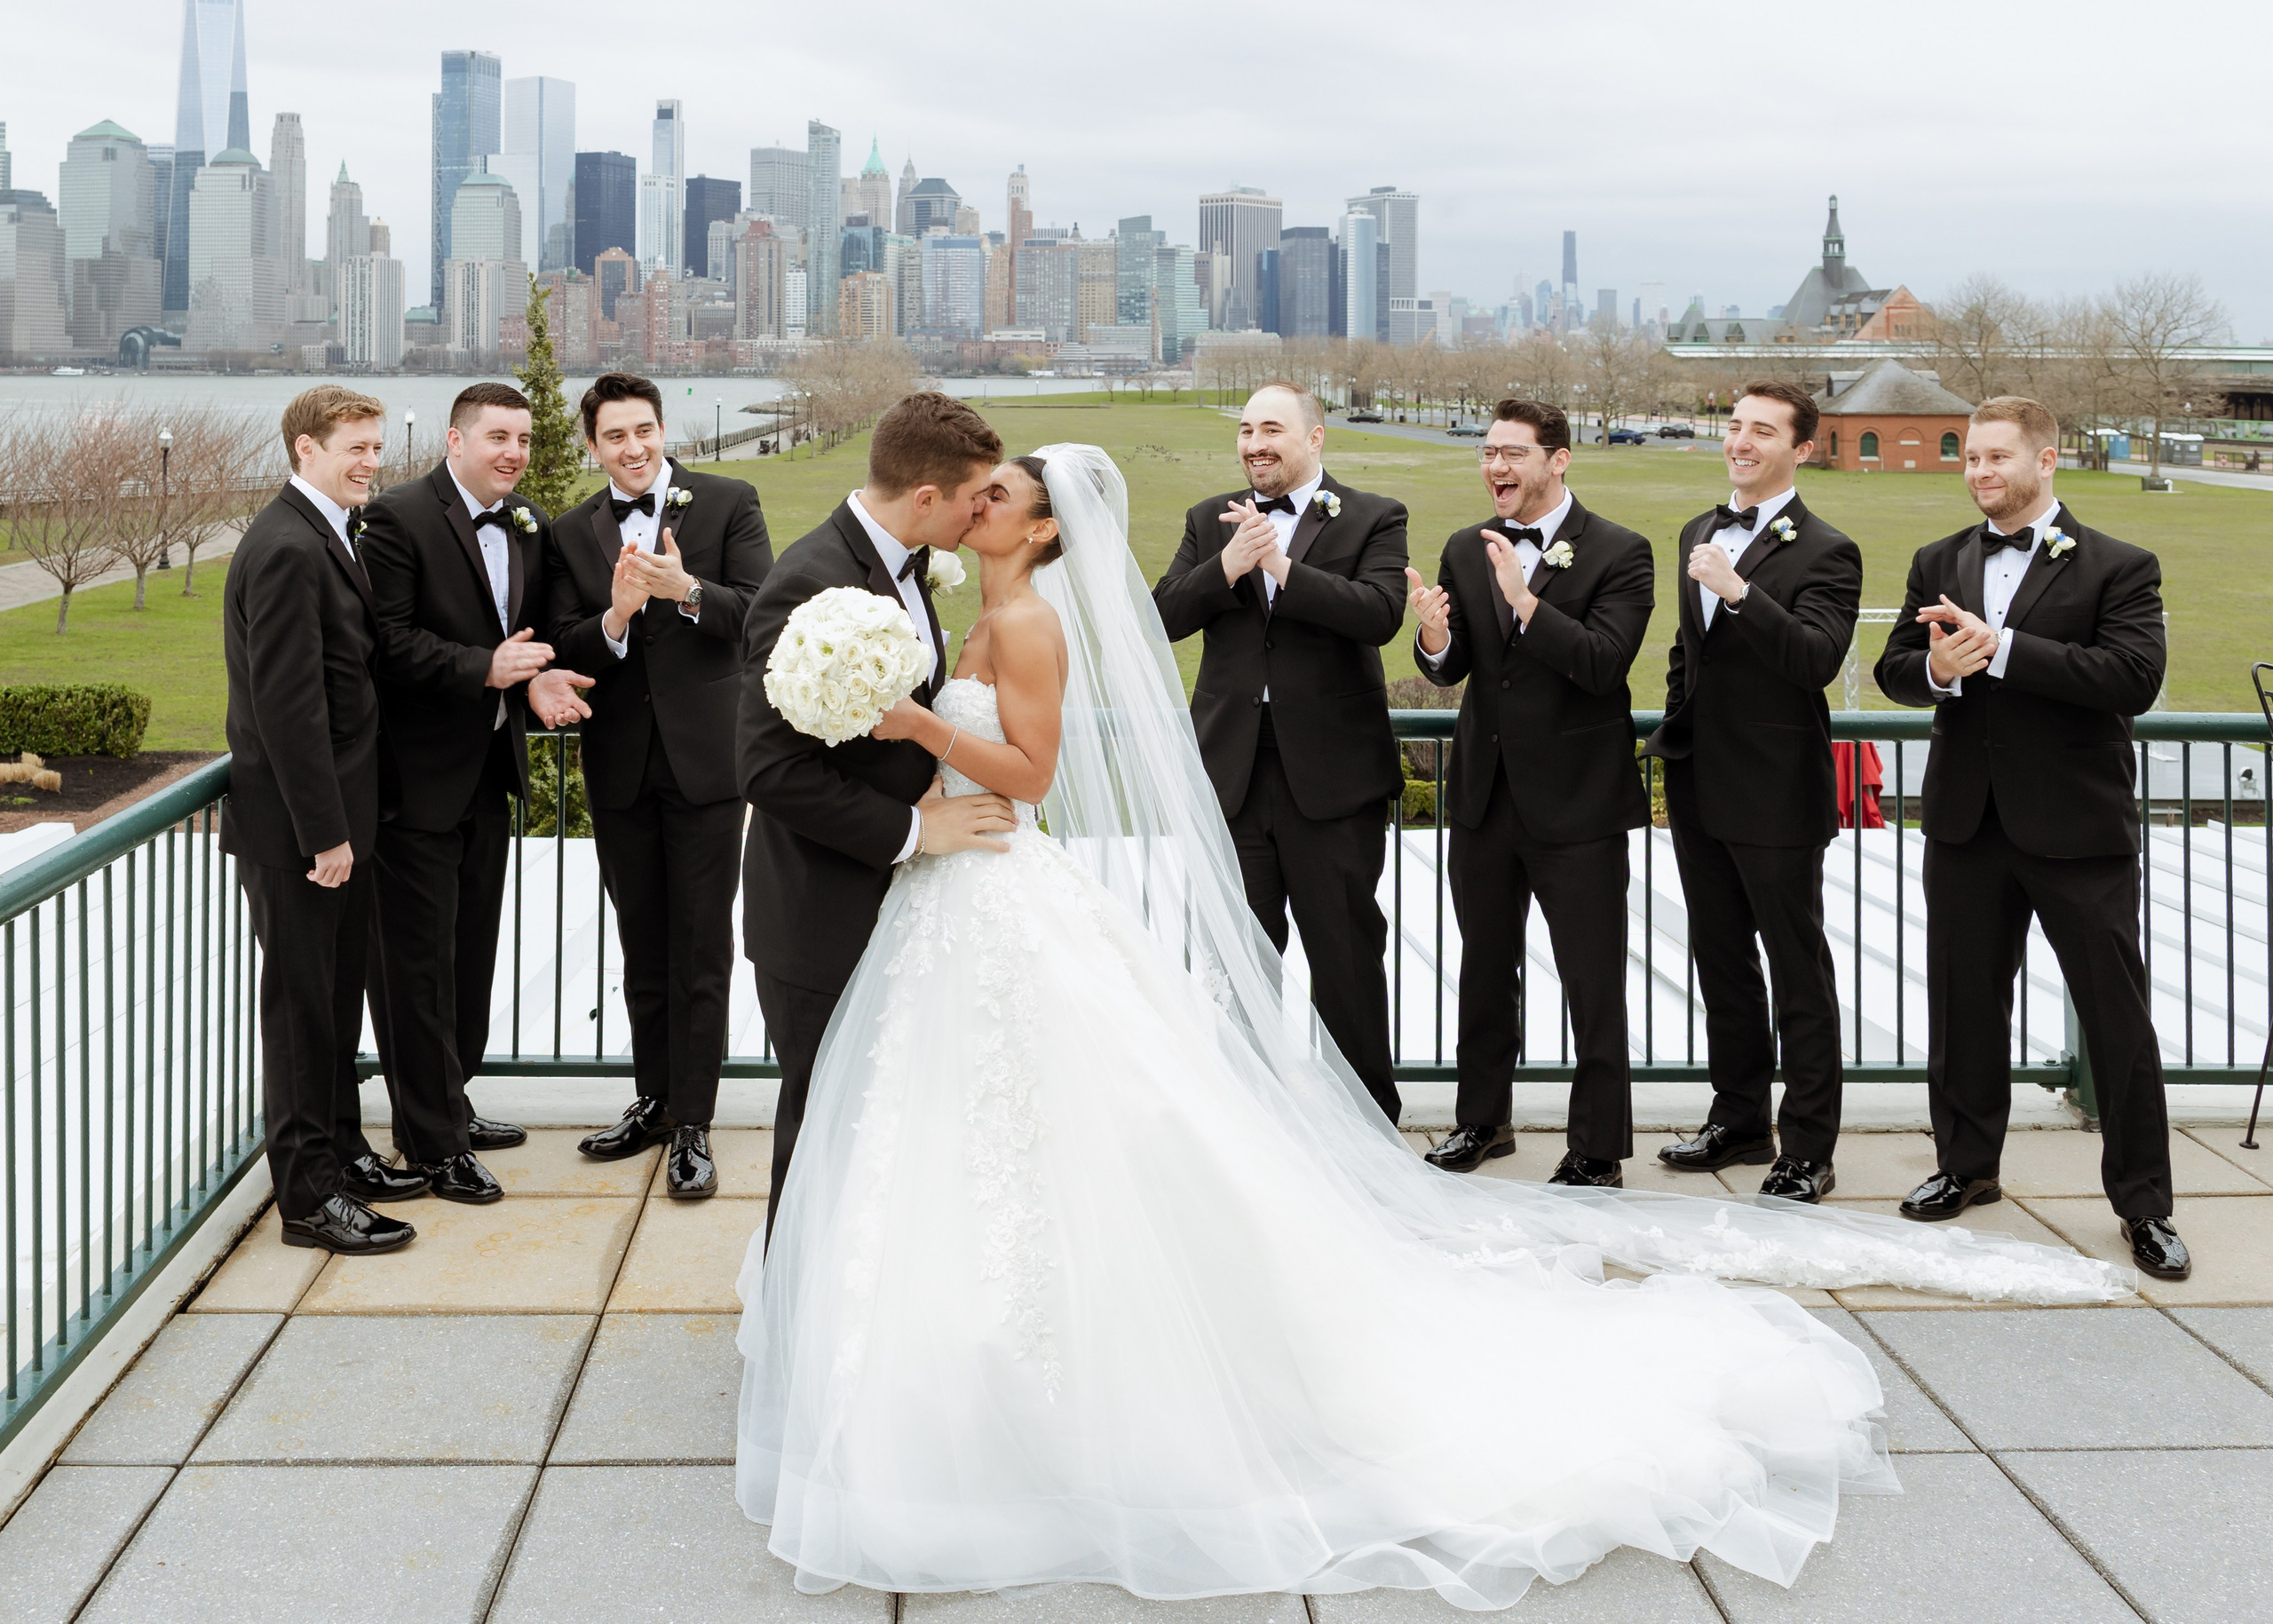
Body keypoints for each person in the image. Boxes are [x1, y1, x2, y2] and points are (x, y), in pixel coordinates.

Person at [733, 443, 2127, 1612]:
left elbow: (1029, 767)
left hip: (996, 872)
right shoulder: (945, 600)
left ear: (1037, 526)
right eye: (971, 489)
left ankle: (1048, 1355)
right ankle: (942, 1331)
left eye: (998, 492)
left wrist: (914, 719)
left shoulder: (1024, 618)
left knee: (1061, 1118)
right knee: (983, 1126)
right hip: (956, 893)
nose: (976, 501)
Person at [1873, 397, 2188, 1280]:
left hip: (2078, 830)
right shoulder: (1939, 558)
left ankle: (2144, 1204)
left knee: (2116, 1024)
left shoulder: (2120, 565)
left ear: (2045, 461)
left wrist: (2003, 647)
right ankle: (1965, 1166)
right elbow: (1897, 667)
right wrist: (1934, 668)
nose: (1979, 472)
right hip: (1966, 825)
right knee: (1963, 1008)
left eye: (1997, 457)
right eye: (1970, 457)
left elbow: (2132, 676)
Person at [738, 392, 1019, 1242]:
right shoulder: (809, 581)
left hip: (893, 905)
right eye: (976, 497)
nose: (984, 512)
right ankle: (794, 1331)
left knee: (881, 1120)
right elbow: (765, 766)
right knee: (821, 1123)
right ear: (926, 498)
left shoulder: (903, 565)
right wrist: (913, 829)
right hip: (820, 906)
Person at [1407, 399, 1653, 1186]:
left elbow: (1603, 664)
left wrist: (1525, 601)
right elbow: (1459, 669)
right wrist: (1436, 639)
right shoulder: (1463, 546)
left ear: (1559, 458)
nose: (1496, 468)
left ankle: (1598, 1149)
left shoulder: (1621, 551)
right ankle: (1482, 1121)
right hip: (1485, 795)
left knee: (1592, 977)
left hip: (1578, 804)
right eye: (1488, 453)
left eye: (1513, 453)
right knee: (1483, 967)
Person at [1152, 383, 1408, 1124]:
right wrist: (1229, 562)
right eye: (1245, 430)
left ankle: (1367, 1127)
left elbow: (1379, 615)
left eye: (1273, 429)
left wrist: (1283, 570)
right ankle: (1247, 1126)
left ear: (1315, 438)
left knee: (1347, 959)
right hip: (1231, 780)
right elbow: (1162, 616)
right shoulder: (1211, 520)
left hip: (1332, 785)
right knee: (1236, 961)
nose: (1255, 444)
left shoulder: (1372, 516)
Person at [360, 381, 589, 1203]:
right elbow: (385, 643)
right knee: (415, 972)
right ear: (455, 441)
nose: (514, 453)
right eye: (498, 437)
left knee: (469, 960)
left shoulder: (525, 524)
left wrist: (532, 679)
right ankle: (429, 1143)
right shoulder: (396, 518)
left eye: (523, 439)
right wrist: (481, 670)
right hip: (413, 784)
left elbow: (523, 640)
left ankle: (451, 1103)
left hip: (491, 777)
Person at [543, 374, 771, 1197]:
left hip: (708, 766)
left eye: (644, 431)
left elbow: (758, 614)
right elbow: (565, 639)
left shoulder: (728, 501)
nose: (633, 448)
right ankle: (652, 1099)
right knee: (643, 941)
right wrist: (612, 619)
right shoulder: (570, 531)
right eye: (615, 437)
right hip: (621, 768)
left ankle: (696, 1125)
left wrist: (686, 593)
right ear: (594, 445)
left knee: (702, 945)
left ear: (663, 428)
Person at [1645, 382, 1860, 1203]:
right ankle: (1738, 1118)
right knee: (1722, 958)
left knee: (1796, 967)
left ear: (1801, 448)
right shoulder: (1700, 529)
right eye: (1736, 425)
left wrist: (1740, 590)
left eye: (1762, 431)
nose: (1741, 440)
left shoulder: (1828, 550)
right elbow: (1686, 652)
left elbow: (1813, 658)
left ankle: (1808, 1144)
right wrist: (1675, 735)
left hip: (1776, 790)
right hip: (1700, 779)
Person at [220, 386, 414, 1255]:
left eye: (376, 446)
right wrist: (325, 833)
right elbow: (287, 707)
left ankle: (343, 1154)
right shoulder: (286, 548)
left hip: (341, 824)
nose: (371, 460)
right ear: (306, 449)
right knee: (302, 1016)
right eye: (356, 447)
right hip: (305, 836)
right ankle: (307, 1199)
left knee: (335, 1007)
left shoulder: (330, 531)